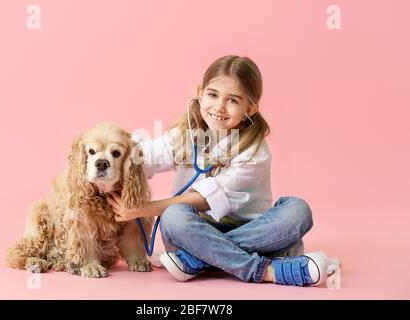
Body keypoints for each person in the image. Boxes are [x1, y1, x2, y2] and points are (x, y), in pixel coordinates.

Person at [107, 55, 339, 286]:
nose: (219, 106)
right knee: (174, 216)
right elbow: (143, 157)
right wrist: (111, 149)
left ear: (251, 107)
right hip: (194, 231)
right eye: (213, 94)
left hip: (252, 229)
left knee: (298, 211)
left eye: (233, 100)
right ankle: (268, 270)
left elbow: (205, 200)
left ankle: (197, 260)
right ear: (200, 92)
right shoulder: (183, 136)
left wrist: (144, 209)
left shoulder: (256, 152)